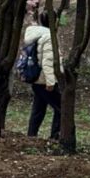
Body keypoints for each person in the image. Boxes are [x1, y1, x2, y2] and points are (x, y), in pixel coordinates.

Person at [23, 12, 60, 140]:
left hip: (36, 79)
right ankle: (55, 136)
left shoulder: (37, 35)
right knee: (61, 107)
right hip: (44, 81)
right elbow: (47, 61)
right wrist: (51, 82)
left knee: (38, 110)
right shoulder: (49, 36)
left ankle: (31, 136)